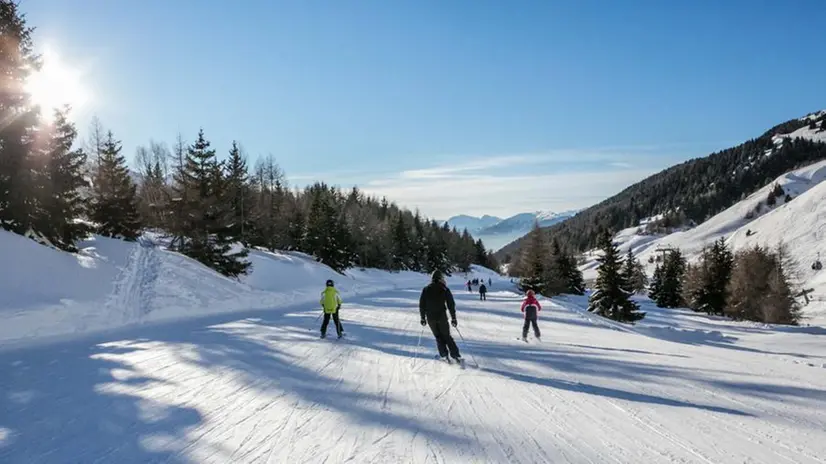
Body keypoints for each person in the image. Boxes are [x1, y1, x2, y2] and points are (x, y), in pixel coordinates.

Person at [419, 270, 462, 362]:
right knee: (446, 336)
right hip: (441, 317)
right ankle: (455, 355)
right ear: (440, 278)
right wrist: (453, 318)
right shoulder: (444, 289)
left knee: (438, 337)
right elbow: (451, 304)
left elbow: (422, 305)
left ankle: (444, 354)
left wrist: (423, 317)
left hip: (431, 318)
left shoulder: (426, 289)